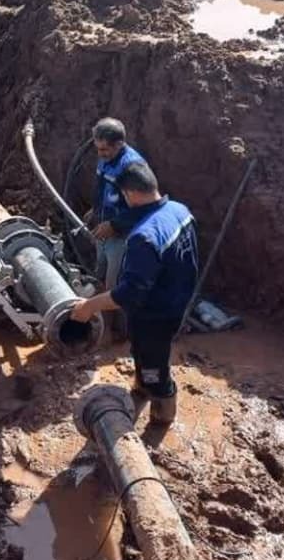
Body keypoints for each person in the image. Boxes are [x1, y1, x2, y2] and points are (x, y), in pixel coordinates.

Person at [70, 161, 198, 425]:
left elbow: (129, 293)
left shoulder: (144, 237)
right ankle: (142, 388)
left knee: (154, 362)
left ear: (131, 194)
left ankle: (162, 414)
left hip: (156, 314)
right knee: (144, 352)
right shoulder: (179, 210)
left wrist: (89, 307)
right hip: (178, 298)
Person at [89, 118, 144, 292]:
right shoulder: (106, 158)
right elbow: (101, 187)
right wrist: (95, 209)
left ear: (119, 144)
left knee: (115, 287)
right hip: (104, 230)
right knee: (99, 272)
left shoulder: (132, 168)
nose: (100, 153)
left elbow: (142, 209)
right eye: (97, 148)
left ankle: (113, 317)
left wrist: (114, 225)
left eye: (104, 149)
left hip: (122, 238)